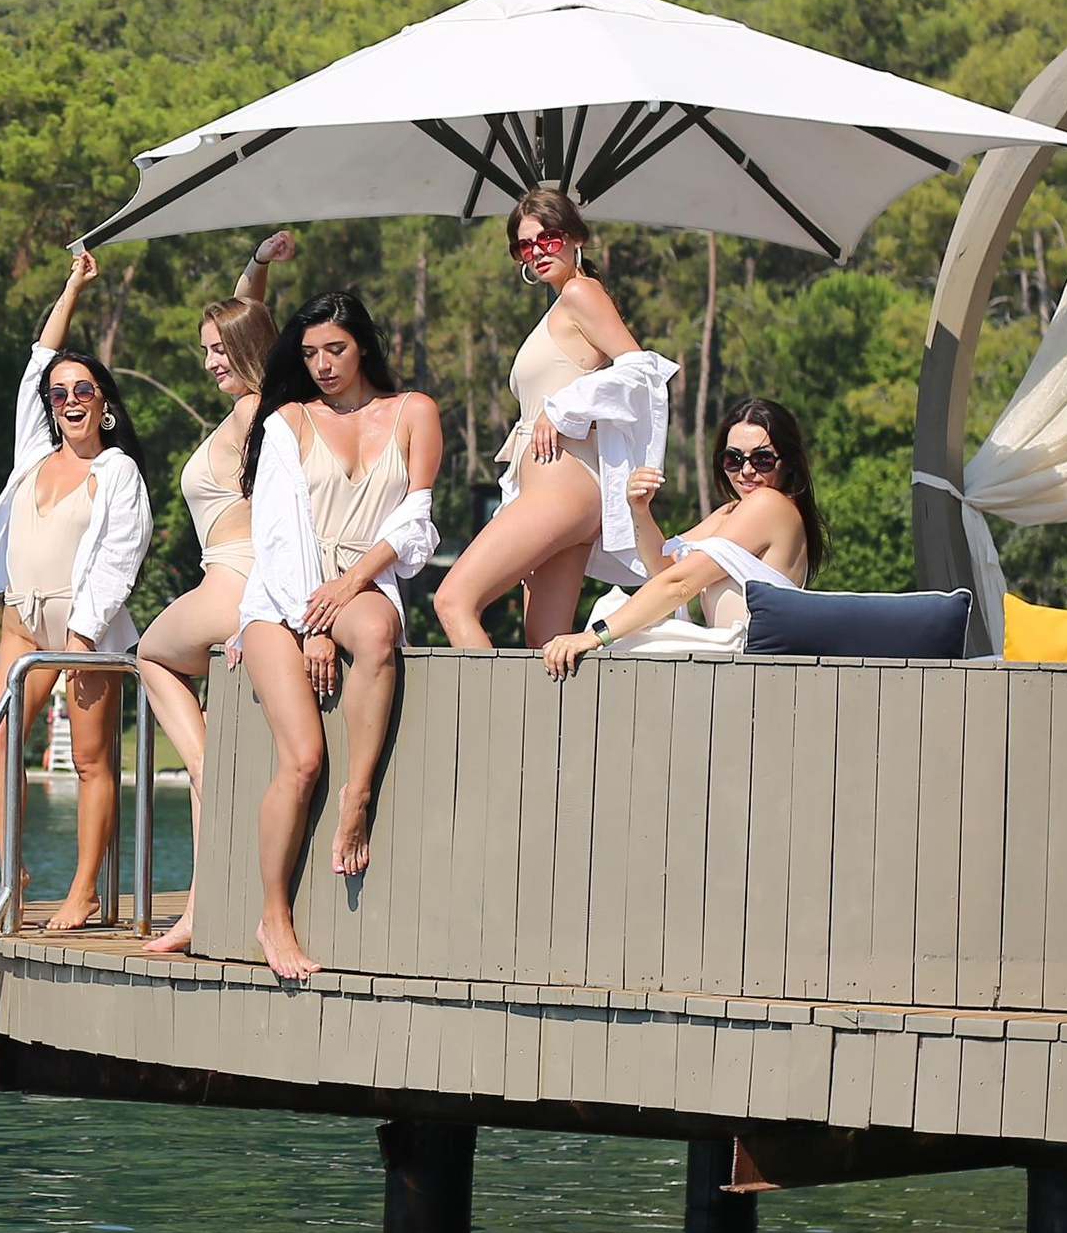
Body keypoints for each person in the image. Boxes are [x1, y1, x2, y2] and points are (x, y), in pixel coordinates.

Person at [229, 293, 443, 976]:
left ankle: (360, 797)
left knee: (379, 630)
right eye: (310, 352)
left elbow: (417, 520)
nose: (322, 365)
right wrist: (308, 626)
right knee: (301, 761)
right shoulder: (288, 419)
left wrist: (351, 587)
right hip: (281, 595)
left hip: (362, 578)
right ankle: (274, 917)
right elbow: (277, 536)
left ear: (364, 347)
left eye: (336, 350)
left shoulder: (414, 411)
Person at [0, 246, 154, 932]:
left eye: (83, 391)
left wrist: (82, 642)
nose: (69, 400)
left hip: (86, 630)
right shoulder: (34, 455)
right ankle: (14, 871)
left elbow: (118, 559)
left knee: (89, 760)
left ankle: (82, 890)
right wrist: (74, 284)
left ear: (103, 404)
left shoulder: (117, 472)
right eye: (61, 393)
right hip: (22, 622)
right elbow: (32, 365)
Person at [135, 232, 298, 955]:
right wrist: (257, 267)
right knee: (199, 733)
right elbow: (250, 314)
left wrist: (251, 618)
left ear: (244, 351)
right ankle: (201, 907)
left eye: (215, 350)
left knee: (150, 655)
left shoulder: (252, 413)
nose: (207, 364)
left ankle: (208, 769)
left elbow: (278, 514)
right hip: (236, 588)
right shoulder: (268, 403)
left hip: (233, 580)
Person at [433, 188, 670, 652]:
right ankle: (550, 727)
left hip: (562, 492)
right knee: (548, 645)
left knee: (452, 600)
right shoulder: (563, 304)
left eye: (549, 237)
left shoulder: (581, 292)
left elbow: (642, 371)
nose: (537, 251)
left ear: (575, 237)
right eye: (525, 245)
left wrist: (563, 407)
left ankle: (493, 723)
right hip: (565, 498)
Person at [538, 399, 823, 677]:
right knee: (615, 616)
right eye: (733, 459)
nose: (746, 470)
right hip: (734, 668)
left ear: (789, 464)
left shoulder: (768, 504)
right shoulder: (731, 512)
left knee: (613, 627)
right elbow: (663, 568)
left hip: (750, 670)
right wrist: (640, 511)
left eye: (762, 459)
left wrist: (594, 636)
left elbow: (679, 584)